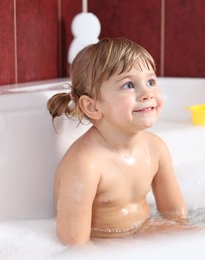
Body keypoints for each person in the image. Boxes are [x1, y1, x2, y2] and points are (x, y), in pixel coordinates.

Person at [47, 38, 188, 246]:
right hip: (106, 243)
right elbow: (74, 240)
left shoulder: (155, 148)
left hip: (145, 231)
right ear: (92, 106)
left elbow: (175, 215)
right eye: (129, 85)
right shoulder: (85, 163)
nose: (147, 93)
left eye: (151, 81)